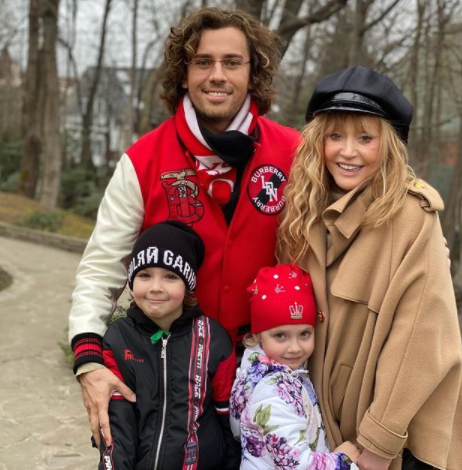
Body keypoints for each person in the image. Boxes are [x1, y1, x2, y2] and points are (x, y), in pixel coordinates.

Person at [69, 7, 300, 447]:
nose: (217, 75)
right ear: (183, 74)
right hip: (165, 383)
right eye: (203, 62)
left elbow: (356, 207)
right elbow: (101, 268)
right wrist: (88, 361)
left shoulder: (296, 152)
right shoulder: (143, 161)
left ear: (253, 74)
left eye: (232, 62)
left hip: (271, 375)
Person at [277, 66, 462, 470]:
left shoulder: (411, 217)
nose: (348, 152)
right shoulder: (304, 212)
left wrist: (379, 443)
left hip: (393, 445)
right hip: (327, 436)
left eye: (365, 138)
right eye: (335, 136)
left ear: (389, 145)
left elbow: (420, 342)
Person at [95, 220, 240, 470]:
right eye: (144, 275)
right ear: (131, 281)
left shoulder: (214, 339)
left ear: (188, 285)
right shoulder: (118, 338)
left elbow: (229, 422)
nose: (155, 288)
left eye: (170, 277)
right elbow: (117, 427)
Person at [230, 263, 360, 470]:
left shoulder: (267, 373)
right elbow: (297, 465)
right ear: (258, 336)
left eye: (304, 334)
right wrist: (343, 460)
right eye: (280, 335)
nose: (295, 348)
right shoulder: (271, 391)